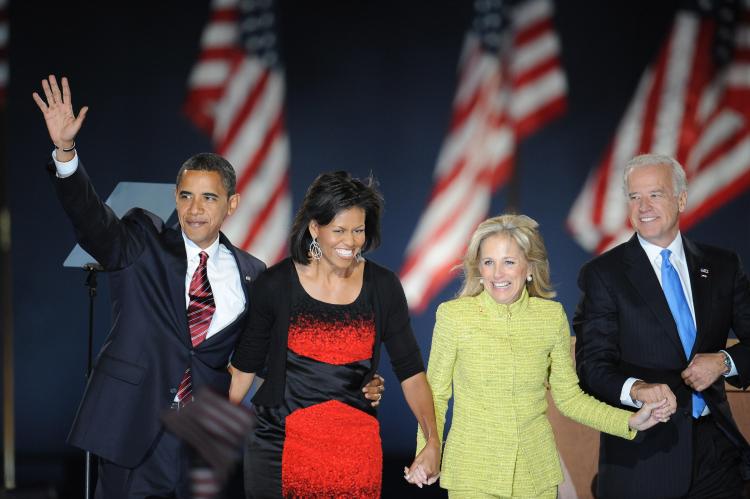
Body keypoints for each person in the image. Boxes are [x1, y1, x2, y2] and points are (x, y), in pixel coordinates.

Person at [32, 75, 385, 498]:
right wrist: (66, 154)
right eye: (186, 196)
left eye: (209, 198)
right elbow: (91, 220)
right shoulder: (141, 240)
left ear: (231, 204)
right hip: (131, 425)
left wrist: (352, 384)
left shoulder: (253, 273)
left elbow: (272, 357)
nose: (195, 209)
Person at [417, 213, 671, 499]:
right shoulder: (453, 317)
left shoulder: (551, 318)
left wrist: (628, 421)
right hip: (473, 474)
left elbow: (569, 398)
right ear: (478, 269)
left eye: (509, 262)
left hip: (535, 476)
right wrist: (427, 451)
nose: (497, 274)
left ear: (529, 268)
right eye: (488, 262)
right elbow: (435, 395)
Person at [228, 171, 441, 498]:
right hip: (277, 449)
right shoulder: (274, 285)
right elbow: (244, 371)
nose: (351, 242)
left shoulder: (383, 287)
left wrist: (432, 440)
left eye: (358, 230)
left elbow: (411, 372)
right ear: (315, 228)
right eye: (339, 230)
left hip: (354, 454)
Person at [573, 153, 750, 499]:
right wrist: (637, 389)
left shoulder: (723, 266)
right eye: (634, 197)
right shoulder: (603, 275)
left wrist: (723, 362)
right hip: (643, 459)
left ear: (681, 199)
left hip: (717, 454)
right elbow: (592, 367)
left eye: (655, 194)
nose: (643, 206)